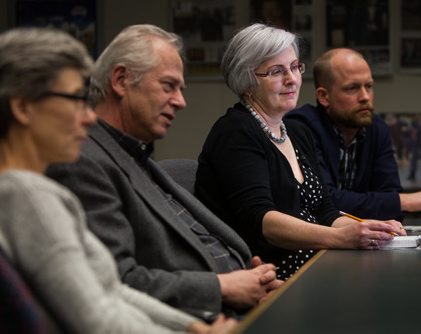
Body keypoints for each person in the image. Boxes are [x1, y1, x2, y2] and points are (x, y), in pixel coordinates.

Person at [0, 27, 236, 333]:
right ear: (22, 108)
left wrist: (190, 326)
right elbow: (97, 320)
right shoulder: (27, 195)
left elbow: (111, 291)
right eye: (74, 99)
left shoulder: (30, 189)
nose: (87, 117)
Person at [46, 24, 282, 321]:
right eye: (168, 86)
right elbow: (116, 282)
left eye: (180, 89)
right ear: (121, 80)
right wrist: (222, 286)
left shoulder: (135, 153)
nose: (181, 102)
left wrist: (248, 275)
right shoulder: (83, 162)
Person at [195, 23, 404, 281]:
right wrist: (340, 237)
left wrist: (370, 229)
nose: (292, 79)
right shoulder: (235, 132)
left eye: (295, 67)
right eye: (276, 71)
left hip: (315, 265)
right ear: (247, 81)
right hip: (271, 277)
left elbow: (326, 212)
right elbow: (263, 222)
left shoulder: (296, 131)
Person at [287, 48, 421, 221]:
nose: (365, 97)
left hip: (362, 239)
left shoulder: (377, 129)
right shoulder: (301, 128)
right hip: (315, 241)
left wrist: (394, 202)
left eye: (369, 86)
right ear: (324, 96)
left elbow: (389, 197)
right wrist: (402, 201)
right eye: (352, 88)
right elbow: (322, 201)